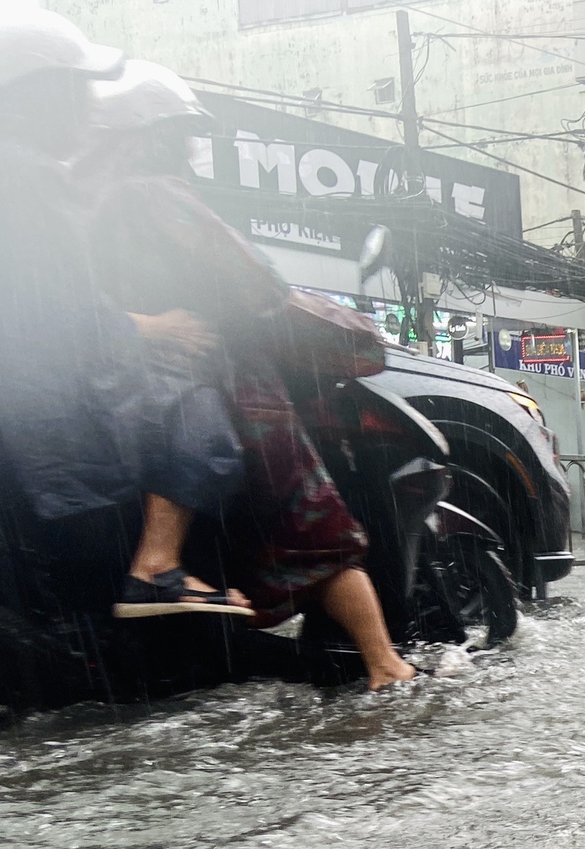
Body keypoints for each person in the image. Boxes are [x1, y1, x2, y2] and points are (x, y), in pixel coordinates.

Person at [76, 59, 415, 688]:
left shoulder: (86, 206)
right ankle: (386, 665)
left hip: (128, 388)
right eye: (184, 133)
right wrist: (343, 324)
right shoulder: (157, 194)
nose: (193, 146)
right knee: (318, 525)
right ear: (157, 136)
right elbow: (253, 282)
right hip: (233, 386)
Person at [0, 10, 251, 621]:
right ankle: (158, 566)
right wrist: (148, 328)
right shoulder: (29, 176)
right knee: (192, 396)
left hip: (8, 398)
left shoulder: (5, 167)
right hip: (33, 411)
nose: (89, 109)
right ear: (38, 98)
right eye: (78, 92)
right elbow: (52, 311)